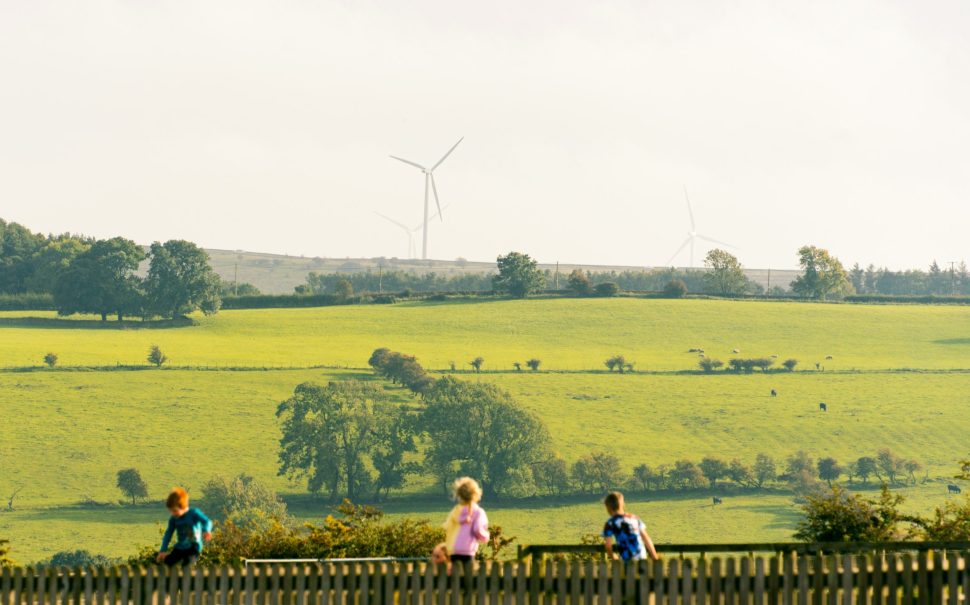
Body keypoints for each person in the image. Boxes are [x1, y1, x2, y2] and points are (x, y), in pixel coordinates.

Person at [155, 487, 213, 567]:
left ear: (182, 506)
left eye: (175, 510)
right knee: (168, 563)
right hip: (180, 546)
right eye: (171, 511)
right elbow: (168, 534)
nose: (173, 513)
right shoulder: (173, 519)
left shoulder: (193, 513)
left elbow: (207, 521)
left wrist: (207, 530)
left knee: (187, 566)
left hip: (193, 547)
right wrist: (162, 550)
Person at [602, 491, 660, 562]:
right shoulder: (634, 518)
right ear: (622, 504)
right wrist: (655, 557)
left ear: (608, 507)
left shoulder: (610, 523)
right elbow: (646, 538)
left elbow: (608, 545)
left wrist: (613, 556)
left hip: (626, 559)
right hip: (642, 558)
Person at [443, 477, 489, 563]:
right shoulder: (477, 512)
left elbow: (448, 526)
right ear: (476, 493)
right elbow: (477, 529)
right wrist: (486, 536)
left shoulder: (455, 511)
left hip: (453, 550)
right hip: (467, 550)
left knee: (456, 571)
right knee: (467, 571)